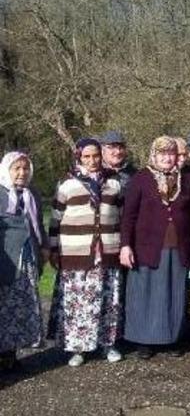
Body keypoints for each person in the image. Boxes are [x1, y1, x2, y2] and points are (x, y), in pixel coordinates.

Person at [47, 138, 125, 367]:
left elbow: (122, 217)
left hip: (108, 251)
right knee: (78, 302)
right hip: (76, 253)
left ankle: (107, 344)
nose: (92, 161)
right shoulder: (67, 184)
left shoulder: (114, 182)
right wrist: (53, 249)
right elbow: (55, 220)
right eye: (86, 157)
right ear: (79, 157)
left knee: (108, 300)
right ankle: (78, 348)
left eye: (96, 156)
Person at [120, 136, 190, 359]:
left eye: (171, 153)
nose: (167, 158)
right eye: (162, 153)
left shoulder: (187, 179)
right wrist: (126, 245)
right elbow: (129, 216)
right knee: (147, 294)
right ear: (153, 155)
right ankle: (144, 341)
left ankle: (172, 338)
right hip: (148, 247)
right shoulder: (141, 179)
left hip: (179, 246)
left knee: (174, 294)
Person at [0, 152, 49, 371]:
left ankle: (12, 353)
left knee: (22, 304)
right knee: (4, 304)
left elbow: (38, 223)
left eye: (25, 168)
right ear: (6, 170)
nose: (22, 173)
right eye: (16, 168)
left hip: (28, 255)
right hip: (6, 258)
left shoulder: (32, 194)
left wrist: (45, 247)